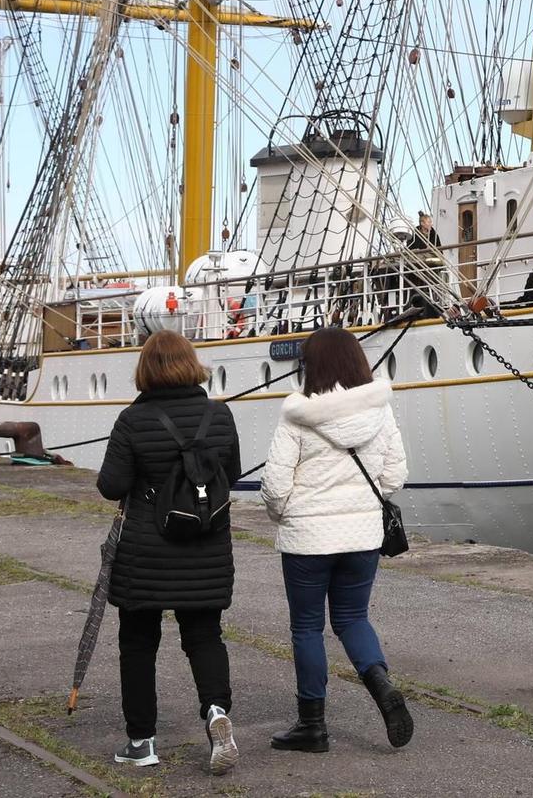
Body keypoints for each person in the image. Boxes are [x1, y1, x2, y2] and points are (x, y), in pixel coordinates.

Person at [260, 326, 413, 754]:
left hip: (307, 539)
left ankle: (312, 726)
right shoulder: (380, 411)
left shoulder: (297, 415)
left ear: (312, 365)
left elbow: (274, 485)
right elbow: (394, 476)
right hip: (362, 536)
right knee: (352, 619)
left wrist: (286, 515)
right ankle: (382, 687)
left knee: (307, 627)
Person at [95, 330, 242, 773]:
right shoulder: (219, 417)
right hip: (206, 548)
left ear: (146, 369)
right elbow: (230, 475)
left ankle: (141, 741)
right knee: (205, 637)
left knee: (138, 644)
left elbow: (111, 486)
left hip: (146, 552)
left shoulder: (132, 421)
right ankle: (216, 711)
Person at [407, 212, 445, 313]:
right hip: (417, 261)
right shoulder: (414, 234)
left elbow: (439, 251)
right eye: (429, 222)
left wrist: (431, 249)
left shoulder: (433, 235)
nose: (431, 224)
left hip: (430, 263)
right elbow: (410, 248)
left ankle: (432, 295)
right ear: (422, 224)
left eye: (431, 222)